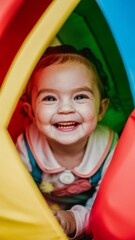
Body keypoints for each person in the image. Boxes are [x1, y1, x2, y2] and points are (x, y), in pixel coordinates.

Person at [16, 45, 118, 239]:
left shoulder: (109, 147)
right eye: (50, 98)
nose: (65, 109)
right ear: (31, 112)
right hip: (40, 215)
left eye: (80, 96)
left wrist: (73, 220)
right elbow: (16, 197)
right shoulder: (26, 147)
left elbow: (108, 205)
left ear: (101, 109)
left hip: (88, 216)